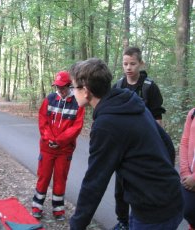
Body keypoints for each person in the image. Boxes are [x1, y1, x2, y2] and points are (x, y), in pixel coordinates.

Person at [69, 58, 183, 230]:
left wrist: (76, 225)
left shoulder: (106, 125)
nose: (71, 93)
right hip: (171, 196)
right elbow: (166, 143)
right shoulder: (130, 101)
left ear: (85, 91)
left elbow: (95, 182)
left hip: (153, 212)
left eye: (73, 87)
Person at [111, 46, 166, 230]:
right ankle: (123, 221)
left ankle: (138, 222)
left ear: (141, 64)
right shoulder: (118, 86)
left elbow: (157, 118)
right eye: (125, 64)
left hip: (143, 148)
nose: (128, 67)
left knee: (140, 188)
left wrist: (159, 146)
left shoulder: (150, 87)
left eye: (133, 64)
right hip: (122, 148)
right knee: (120, 188)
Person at [32, 71, 85, 221]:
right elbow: (43, 120)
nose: (60, 90)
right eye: (57, 87)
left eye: (62, 87)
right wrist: (49, 139)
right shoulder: (49, 99)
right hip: (47, 147)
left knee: (60, 178)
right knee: (43, 176)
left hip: (64, 149)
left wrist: (59, 140)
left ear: (69, 86)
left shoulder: (77, 103)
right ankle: (37, 206)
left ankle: (58, 209)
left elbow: (76, 127)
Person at [179, 108, 195, 230]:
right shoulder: (192, 113)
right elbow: (185, 142)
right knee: (188, 210)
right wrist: (185, 172)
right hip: (188, 176)